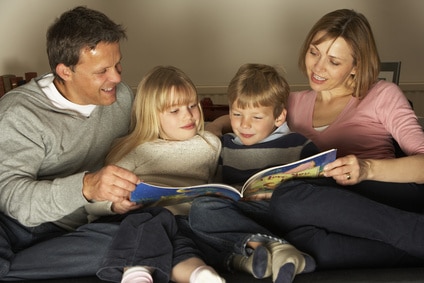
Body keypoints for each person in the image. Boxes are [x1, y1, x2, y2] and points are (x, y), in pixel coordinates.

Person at [205, 8, 424, 270]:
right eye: (314, 52)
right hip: (319, 205)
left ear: (356, 66)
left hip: (381, 195)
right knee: (304, 242)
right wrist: (216, 125)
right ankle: (412, 250)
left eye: (333, 61)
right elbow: (247, 116)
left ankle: (414, 232)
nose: (318, 68)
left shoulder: (382, 94)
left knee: (287, 198)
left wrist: (367, 168)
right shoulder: (293, 102)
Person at [0, 6, 143, 281]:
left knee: (141, 236)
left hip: (74, 230)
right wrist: (86, 186)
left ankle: (12, 269)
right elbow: (13, 199)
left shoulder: (122, 98)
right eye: (102, 71)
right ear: (65, 71)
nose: (116, 78)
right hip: (15, 224)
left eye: (117, 65)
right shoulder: (20, 113)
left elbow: (151, 137)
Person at [189, 63, 318, 283]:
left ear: (278, 118)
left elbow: (316, 194)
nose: (244, 124)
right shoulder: (226, 145)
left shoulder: (299, 145)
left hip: (278, 212)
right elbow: (216, 187)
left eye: (256, 117)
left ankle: (256, 252)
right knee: (198, 211)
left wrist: (278, 192)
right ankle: (270, 253)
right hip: (239, 214)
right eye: (237, 114)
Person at [99, 65, 224, 283]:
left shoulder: (210, 145)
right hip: (144, 221)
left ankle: (198, 274)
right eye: (174, 111)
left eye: (192, 105)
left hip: (189, 220)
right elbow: (99, 195)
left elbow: (217, 184)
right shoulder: (132, 149)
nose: (188, 115)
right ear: (151, 115)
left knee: (183, 239)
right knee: (155, 223)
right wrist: (113, 205)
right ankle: (147, 274)